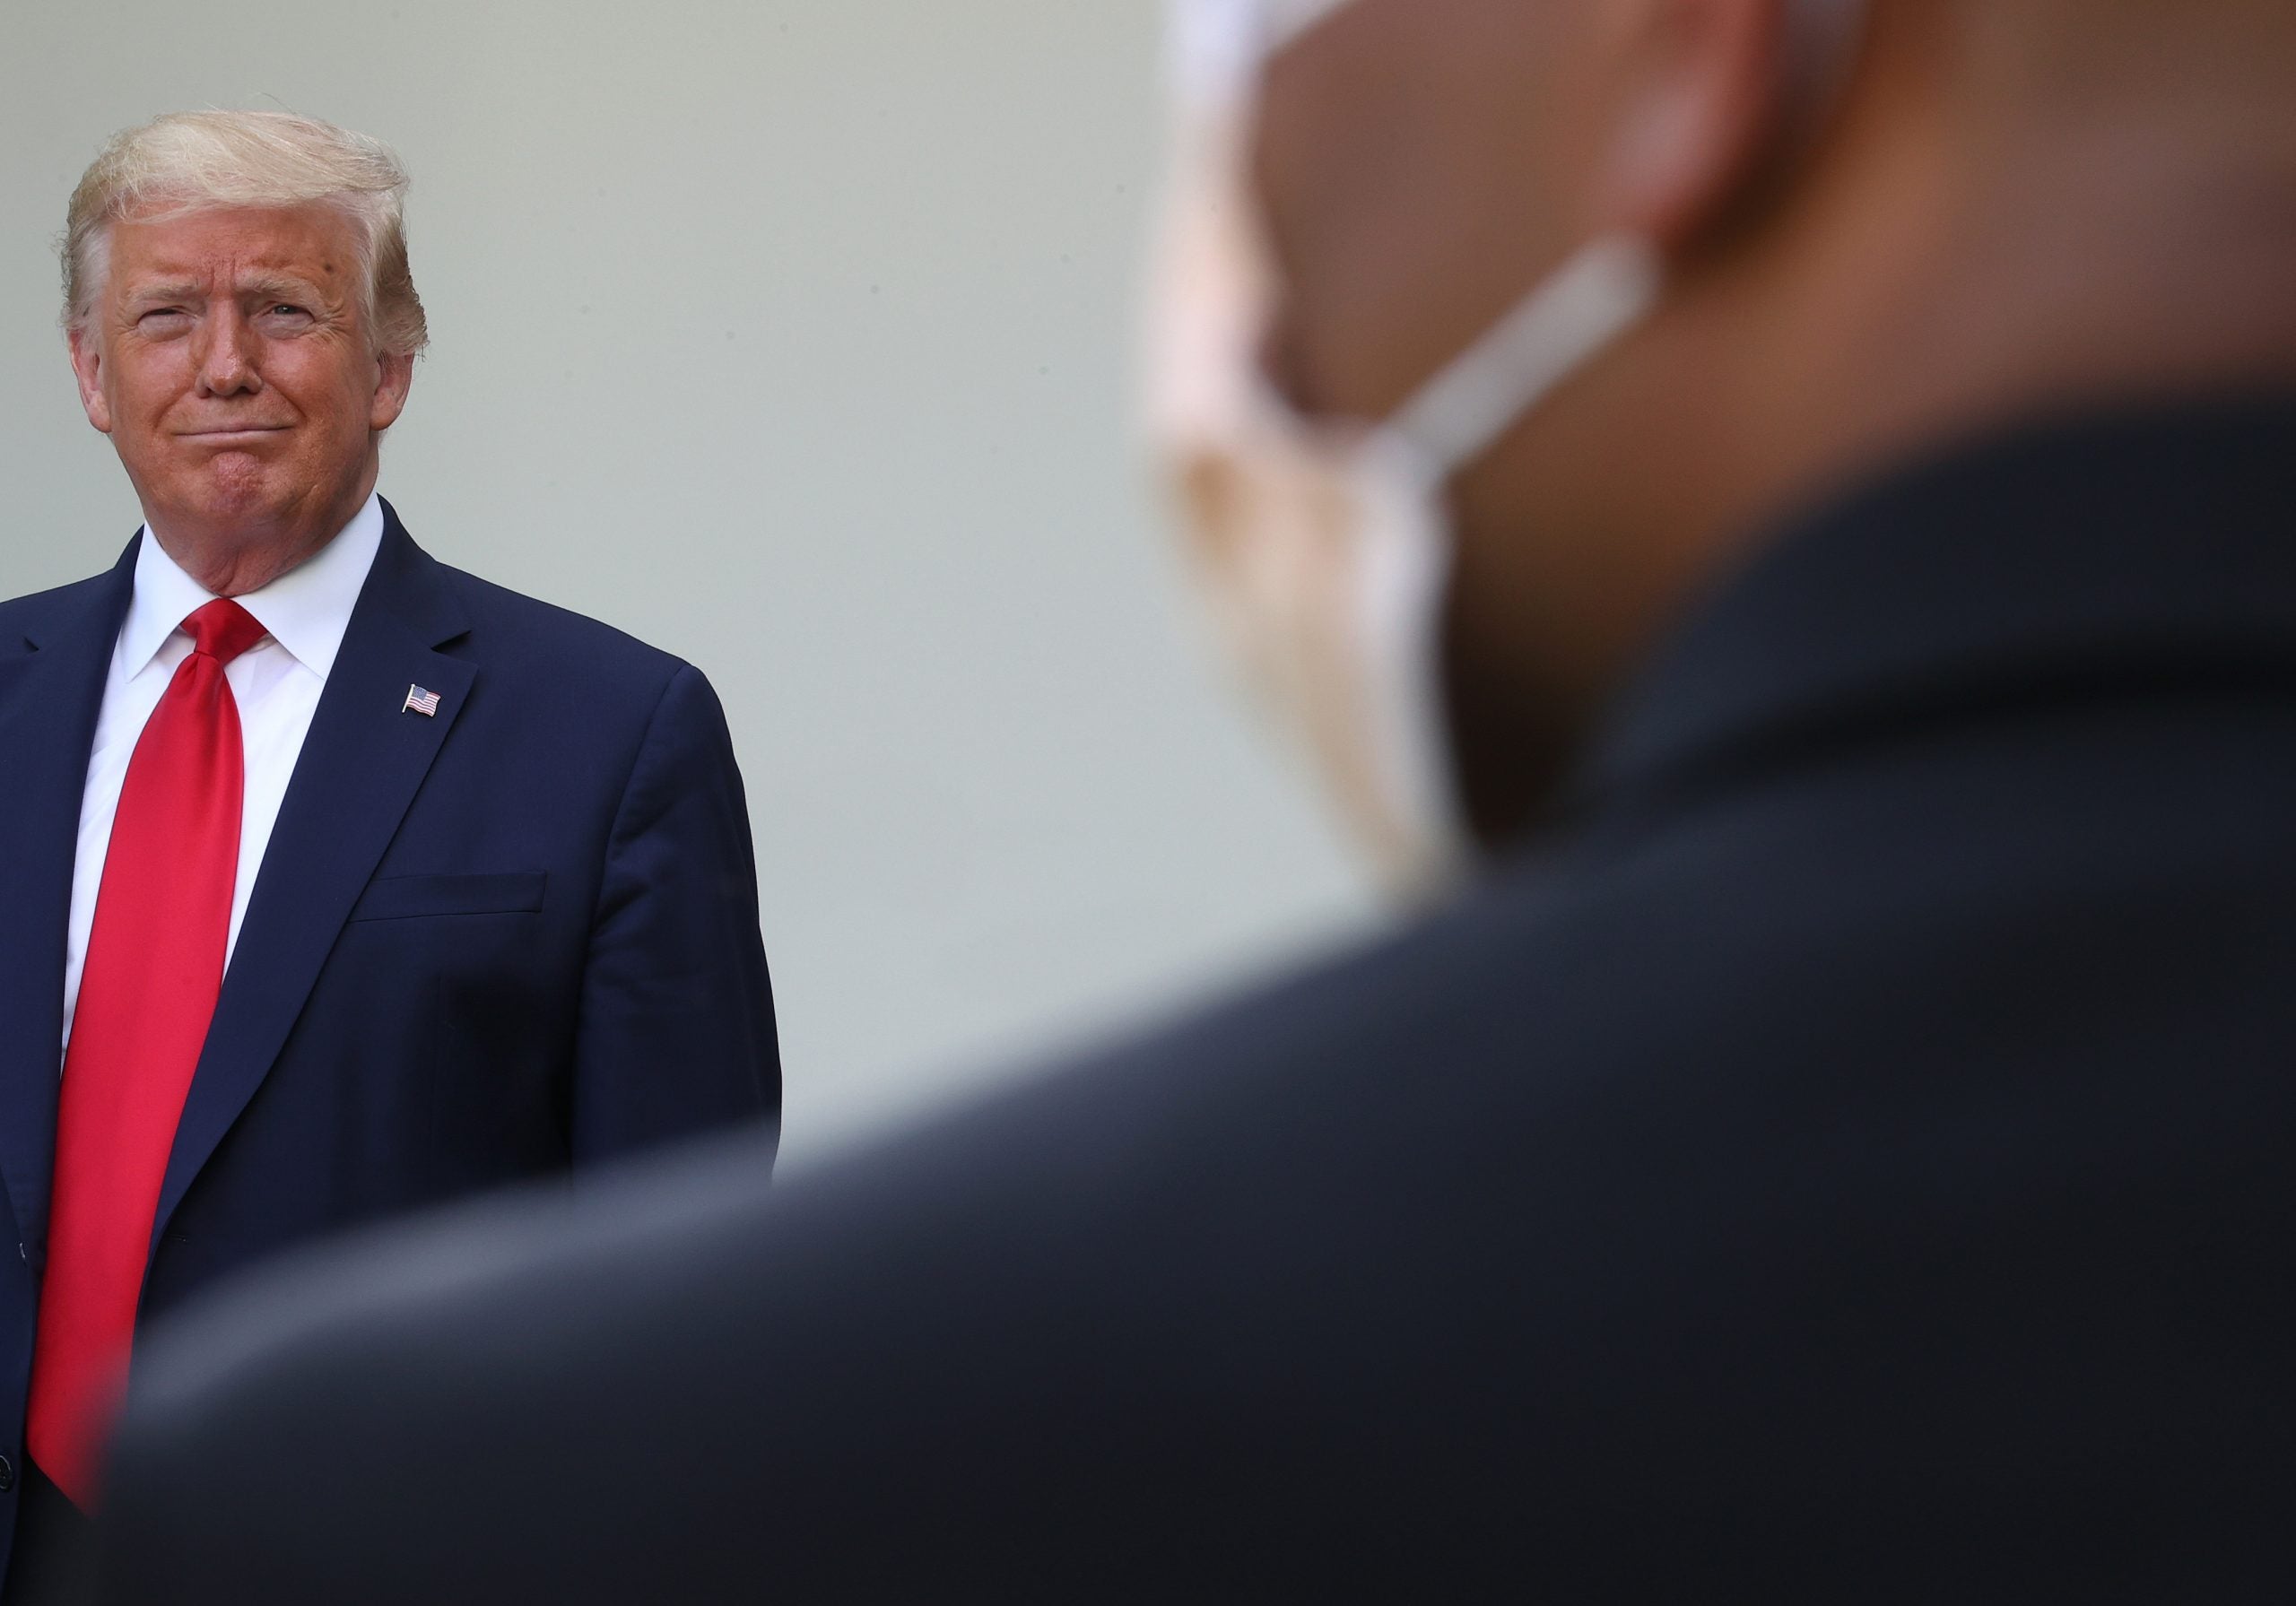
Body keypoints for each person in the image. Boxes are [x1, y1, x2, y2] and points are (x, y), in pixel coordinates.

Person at [98, 0, 2296, 1598]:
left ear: (1685, 57)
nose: (1241, 293)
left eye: (1239, 65)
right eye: (165, 315)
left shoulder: (586, 1488)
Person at [0, 112, 779, 1597]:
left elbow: (686, 1273)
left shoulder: (609, 732)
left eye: (284, 311)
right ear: (93, 374)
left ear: (390, 366)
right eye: (165, 317)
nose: (224, 365)